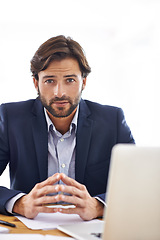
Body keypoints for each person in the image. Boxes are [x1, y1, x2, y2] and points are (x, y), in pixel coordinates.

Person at [0, 35, 135, 220]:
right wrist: (18, 203)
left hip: (91, 231)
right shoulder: (11, 118)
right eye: (49, 81)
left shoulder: (112, 120)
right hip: (29, 231)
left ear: (84, 82)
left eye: (70, 80)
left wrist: (98, 206)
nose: (59, 92)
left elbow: (136, 184)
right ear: (35, 83)